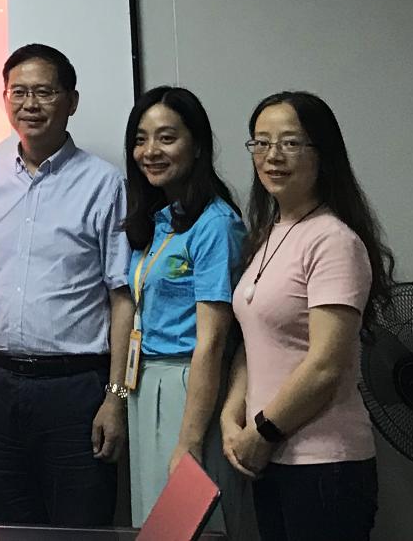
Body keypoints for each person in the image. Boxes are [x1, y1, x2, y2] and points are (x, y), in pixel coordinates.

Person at [0, 43, 133, 527]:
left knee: (80, 527)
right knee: (5, 526)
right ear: (5, 98)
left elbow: (122, 298)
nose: (30, 104)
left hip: (76, 389)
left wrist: (115, 397)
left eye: (45, 92)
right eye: (19, 92)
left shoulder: (104, 184)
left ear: (71, 101)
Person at [222, 91, 394, 541]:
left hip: (324, 464)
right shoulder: (269, 235)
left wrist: (261, 434)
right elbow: (254, 342)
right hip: (271, 458)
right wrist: (231, 416)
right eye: (261, 142)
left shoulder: (333, 240)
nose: (272, 156)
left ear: (322, 153)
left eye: (290, 143)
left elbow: (325, 366)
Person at [122, 86, 253, 538]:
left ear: (197, 146)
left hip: (189, 385)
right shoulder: (159, 219)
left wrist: (190, 439)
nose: (150, 151)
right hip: (146, 384)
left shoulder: (215, 224)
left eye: (166, 137)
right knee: (155, 522)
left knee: (192, 524)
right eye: (141, 139)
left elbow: (213, 341)